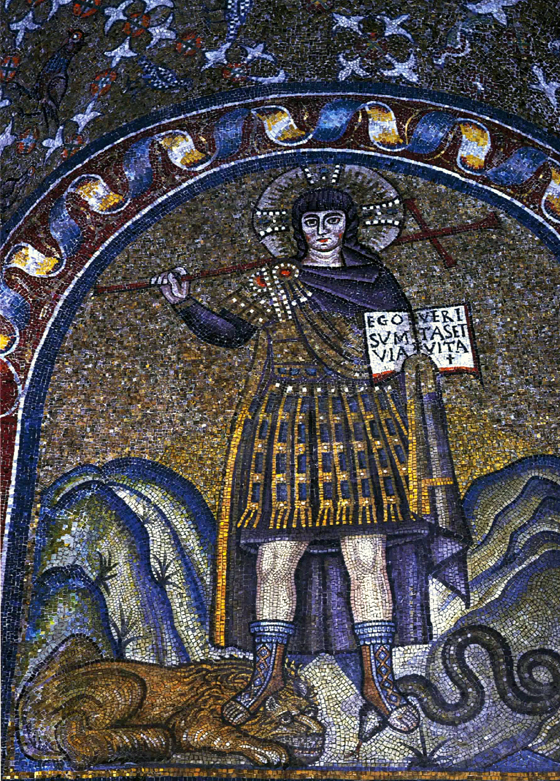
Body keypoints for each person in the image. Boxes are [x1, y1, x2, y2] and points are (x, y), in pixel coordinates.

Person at [152, 186, 470, 736]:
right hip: (288, 426)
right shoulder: (276, 282)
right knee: (277, 556)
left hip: (360, 424)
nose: (323, 231)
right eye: (312, 221)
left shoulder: (376, 283)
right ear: (297, 229)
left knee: (366, 555)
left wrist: (428, 360)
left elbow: (401, 350)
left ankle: (378, 681)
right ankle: (268, 676)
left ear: (349, 224)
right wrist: (185, 303)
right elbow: (229, 332)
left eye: (333, 219)